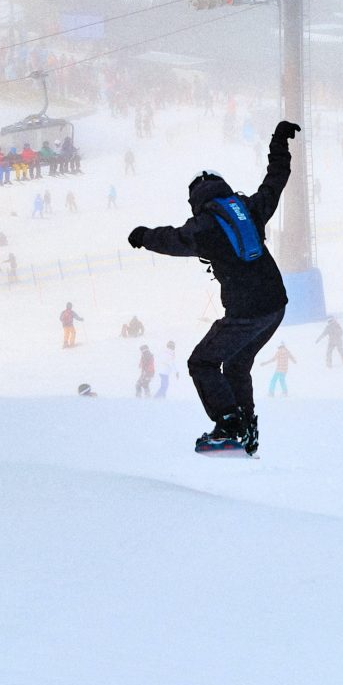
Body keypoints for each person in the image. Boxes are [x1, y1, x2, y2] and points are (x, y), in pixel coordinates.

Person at [127, 120, 298, 454]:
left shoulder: (204, 227)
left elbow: (172, 240)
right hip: (276, 306)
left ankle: (229, 426)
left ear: (195, 199)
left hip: (246, 312)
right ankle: (246, 430)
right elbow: (275, 180)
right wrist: (279, 142)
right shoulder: (249, 209)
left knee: (202, 362)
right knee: (236, 364)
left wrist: (143, 236)